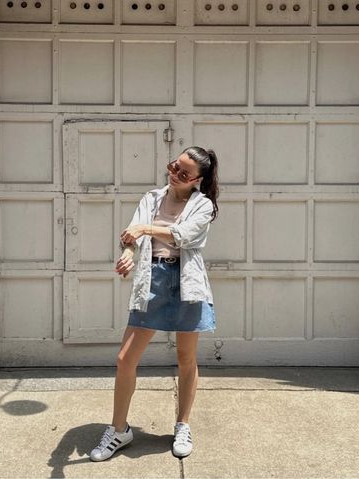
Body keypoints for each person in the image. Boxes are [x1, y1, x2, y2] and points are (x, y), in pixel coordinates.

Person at [89, 146, 219, 462]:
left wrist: (145, 229)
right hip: (154, 278)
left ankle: (183, 425)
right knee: (125, 357)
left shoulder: (203, 206)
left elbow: (182, 235)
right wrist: (128, 255)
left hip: (186, 282)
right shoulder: (151, 198)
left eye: (184, 173)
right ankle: (119, 429)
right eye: (175, 166)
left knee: (186, 357)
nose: (175, 174)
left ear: (197, 180)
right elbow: (132, 238)